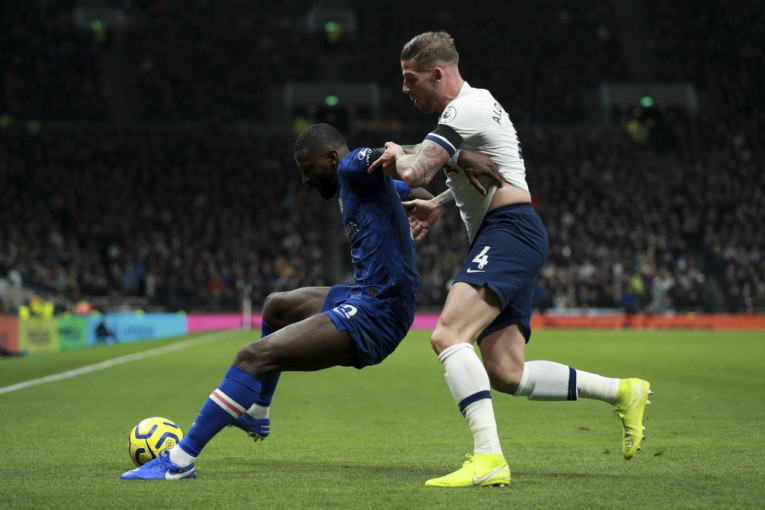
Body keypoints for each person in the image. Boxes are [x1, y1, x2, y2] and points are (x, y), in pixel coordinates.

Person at [370, 31, 652, 488]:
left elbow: (417, 169)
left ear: (437, 74)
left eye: (410, 78)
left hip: (509, 232)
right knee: (505, 371)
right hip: (511, 232)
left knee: (448, 335)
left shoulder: (463, 109)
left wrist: (398, 153)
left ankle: (488, 458)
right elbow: (493, 174)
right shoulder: (477, 108)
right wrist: (439, 203)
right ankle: (623, 392)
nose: (404, 88)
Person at [121, 123, 426, 480]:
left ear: (331, 158)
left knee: (252, 356)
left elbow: (395, 157)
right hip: (366, 294)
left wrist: (435, 149)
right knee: (276, 307)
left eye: (307, 168)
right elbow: (412, 187)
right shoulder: (358, 183)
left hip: (379, 311)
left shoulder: (352, 164)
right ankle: (257, 412)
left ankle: (179, 461)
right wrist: (437, 203)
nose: (305, 179)